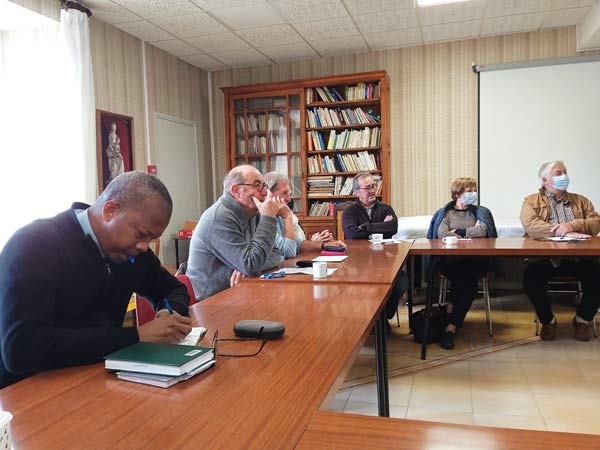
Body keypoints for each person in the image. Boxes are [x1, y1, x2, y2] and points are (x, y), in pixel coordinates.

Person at [0, 171, 193, 388]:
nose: (144, 246)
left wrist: (168, 314)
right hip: (31, 389)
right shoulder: (33, 246)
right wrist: (136, 336)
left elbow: (173, 289)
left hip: (98, 378)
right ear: (110, 210)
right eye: (141, 234)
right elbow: (21, 348)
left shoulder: (132, 252)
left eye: (152, 238)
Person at [520, 160, 600, 341]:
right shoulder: (531, 201)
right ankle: (548, 321)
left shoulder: (581, 201)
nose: (564, 176)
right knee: (531, 275)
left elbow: (595, 223)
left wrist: (573, 225)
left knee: (597, 274)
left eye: (565, 172)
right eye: (558, 173)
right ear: (544, 180)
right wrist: (564, 231)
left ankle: (582, 319)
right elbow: (531, 226)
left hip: (579, 257)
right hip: (547, 258)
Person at [187, 165, 283, 300]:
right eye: (257, 185)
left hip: (240, 292)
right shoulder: (219, 217)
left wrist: (245, 267)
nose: (265, 193)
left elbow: (277, 254)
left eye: (264, 186)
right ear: (236, 190)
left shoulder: (253, 212)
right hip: (211, 301)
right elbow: (251, 265)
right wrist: (268, 218)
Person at [427, 177, 497, 350]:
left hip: (475, 260)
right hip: (451, 260)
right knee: (468, 283)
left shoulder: (479, 212)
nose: (473, 193)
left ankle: (450, 322)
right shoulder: (446, 213)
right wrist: (471, 232)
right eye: (469, 191)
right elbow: (442, 233)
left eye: (475, 190)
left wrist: (457, 231)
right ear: (457, 193)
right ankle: (451, 326)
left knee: (464, 275)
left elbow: (483, 231)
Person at [342, 172, 408, 325]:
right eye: (367, 188)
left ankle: (383, 317)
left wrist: (366, 227)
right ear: (357, 192)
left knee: (402, 281)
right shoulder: (349, 212)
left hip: (385, 261)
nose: (372, 191)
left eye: (373, 186)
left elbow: (392, 228)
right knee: (366, 285)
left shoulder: (386, 209)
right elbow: (352, 234)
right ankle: (372, 321)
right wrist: (381, 226)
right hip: (359, 263)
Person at [264, 172, 346, 258]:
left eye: (290, 194)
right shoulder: (264, 217)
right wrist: (288, 216)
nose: (289, 199)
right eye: (284, 193)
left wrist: (325, 245)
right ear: (268, 193)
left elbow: (298, 244)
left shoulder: (280, 213)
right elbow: (288, 252)